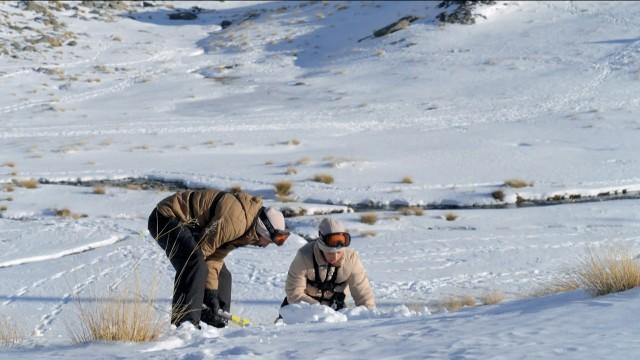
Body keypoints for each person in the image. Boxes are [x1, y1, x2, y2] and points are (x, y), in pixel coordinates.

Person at [148, 189, 289, 328]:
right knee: (194, 263)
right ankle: (185, 324)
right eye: (268, 241)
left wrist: (211, 294)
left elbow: (215, 257)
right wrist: (207, 293)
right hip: (165, 218)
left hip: (191, 228)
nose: (265, 246)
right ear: (262, 230)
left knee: (223, 275)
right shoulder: (235, 222)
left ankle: (217, 320)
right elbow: (203, 248)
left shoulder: (247, 231)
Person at [281, 218, 375, 315]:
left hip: (336, 310)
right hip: (301, 308)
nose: (335, 257)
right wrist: (321, 311)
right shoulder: (304, 256)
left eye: (339, 252)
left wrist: (369, 316)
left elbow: (363, 294)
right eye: (330, 253)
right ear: (321, 248)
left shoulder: (351, 259)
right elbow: (294, 294)